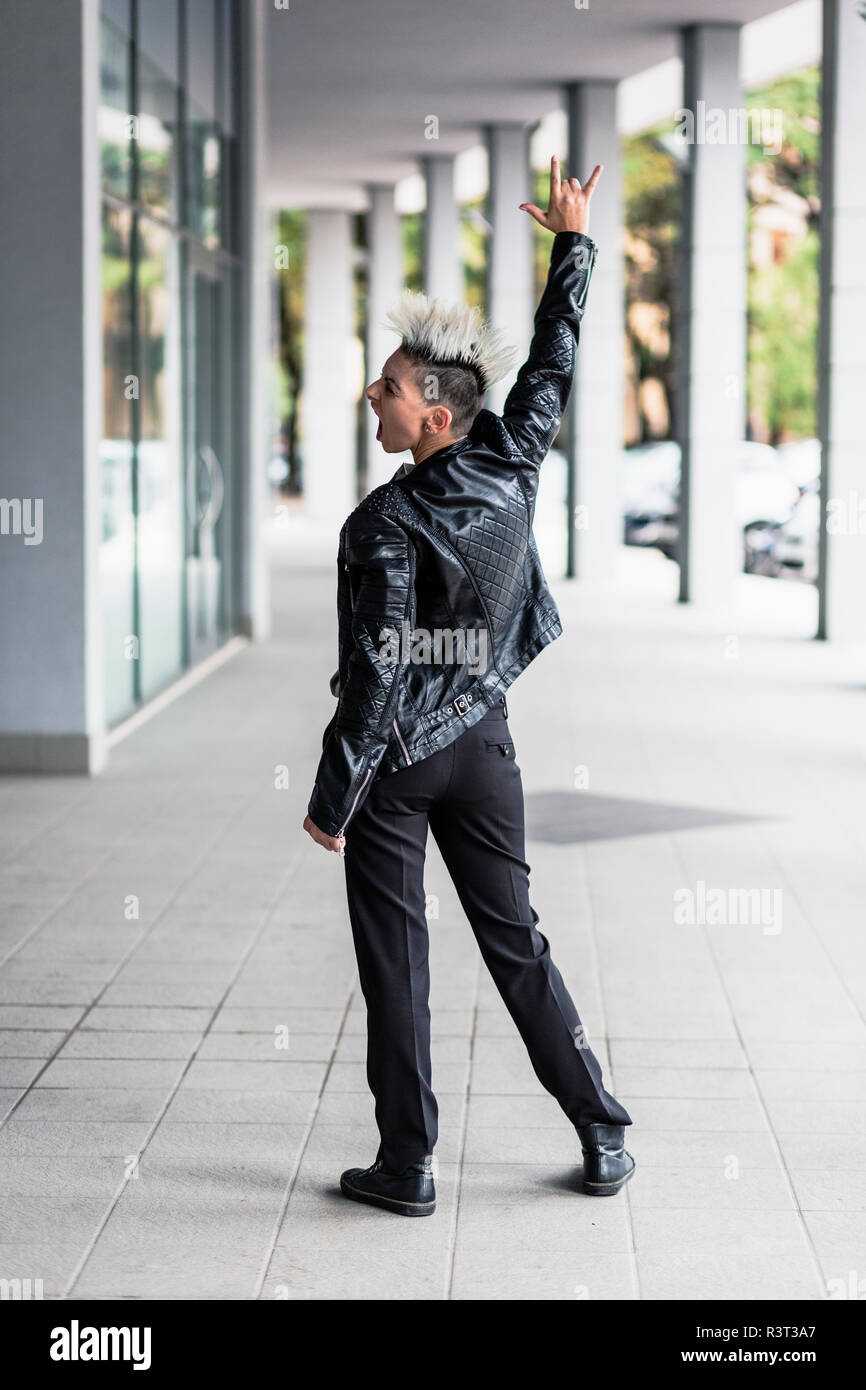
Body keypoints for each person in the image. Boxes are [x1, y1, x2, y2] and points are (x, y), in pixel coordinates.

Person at [304, 156, 634, 1217]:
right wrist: (571, 246)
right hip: (483, 741)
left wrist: (333, 794)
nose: (375, 394)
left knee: (398, 966)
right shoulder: (512, 459)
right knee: (516, 942)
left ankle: (406, 1167)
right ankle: (598, 1126)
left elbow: (380, 668)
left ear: (434, 415)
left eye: (390, 389)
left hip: (398, 766)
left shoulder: (381, 523)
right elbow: (555, 362)